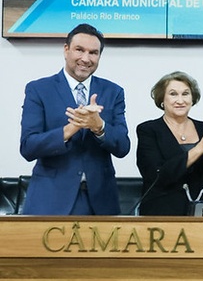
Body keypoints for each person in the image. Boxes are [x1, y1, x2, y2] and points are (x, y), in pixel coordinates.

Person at [19, 23, 131, 215]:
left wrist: (100, 127)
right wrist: (71, 129)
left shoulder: (113, 92)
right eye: (79, 50)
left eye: (93, 53)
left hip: (100, 203)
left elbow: (123, 147)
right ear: (66, 50)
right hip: (50, 201)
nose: (85, 59)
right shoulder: (38, 89)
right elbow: (28, 147)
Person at [136, 72, 203, 216]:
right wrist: (200, 147)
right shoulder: (148, 130)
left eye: (185, 94)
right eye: (173, 94)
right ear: (162, 99)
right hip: (161, 214)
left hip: (202, 215)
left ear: (192, 99)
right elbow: (157, 176)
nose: (180, 100)